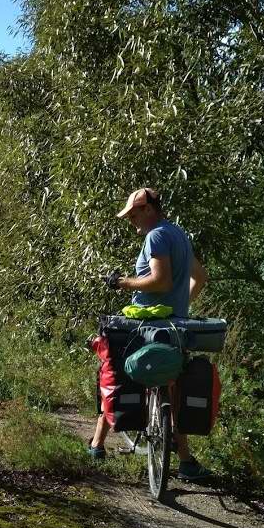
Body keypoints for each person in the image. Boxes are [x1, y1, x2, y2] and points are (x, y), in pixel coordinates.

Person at [89, 187, 211, 482]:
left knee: (115, 365)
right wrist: (179, 308)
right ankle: (185, 461)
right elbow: (201, 277)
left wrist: (123, 283)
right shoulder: (179, 234)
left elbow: (160, 280)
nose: (131, 220)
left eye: (134, 214)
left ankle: (97, 444)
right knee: (171, 382)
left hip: (148, 325)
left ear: (148, 209)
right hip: (176, 325)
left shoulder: (155, 236)